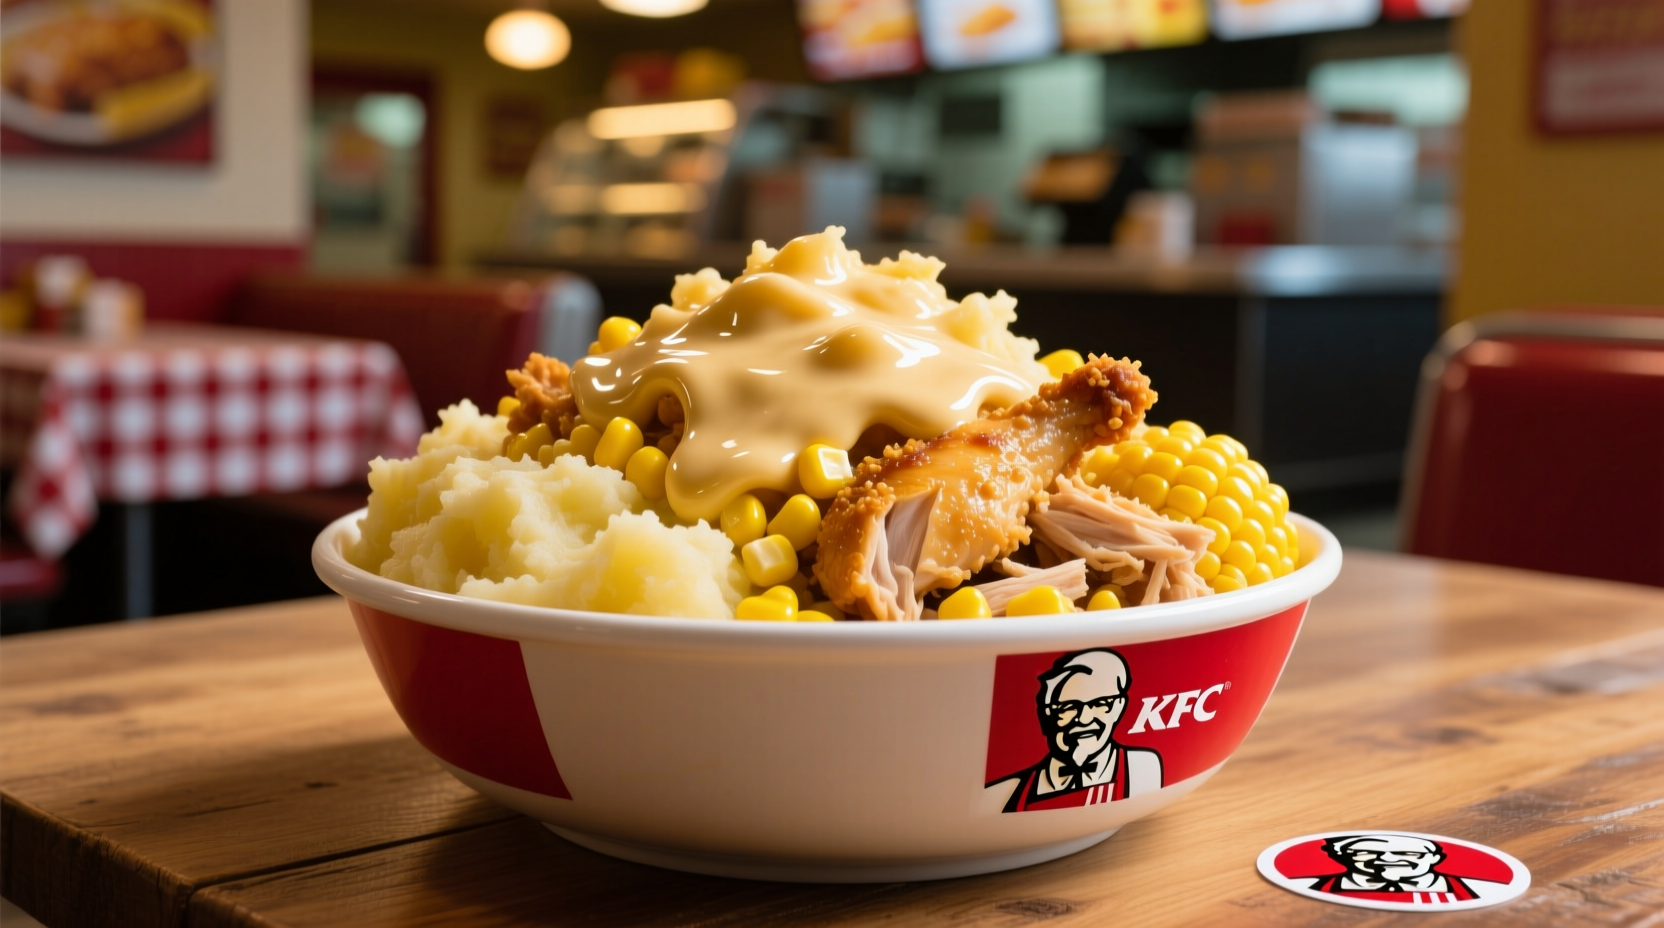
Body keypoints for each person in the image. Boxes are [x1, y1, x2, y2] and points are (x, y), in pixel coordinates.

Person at [986, 649, 1162, 812]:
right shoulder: (1004, 793)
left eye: (1100, 704)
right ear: (1047, 713)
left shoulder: (1142, 766)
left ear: (1119, 707)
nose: (1085, 719)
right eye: (1068, 707)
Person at [1308, 835, 1486, 902]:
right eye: (1366, 852)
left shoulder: (1478, 890)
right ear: (1342, 857)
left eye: (1407, 853)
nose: (1387, 858)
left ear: (1435, 858)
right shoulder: (1308, 886)